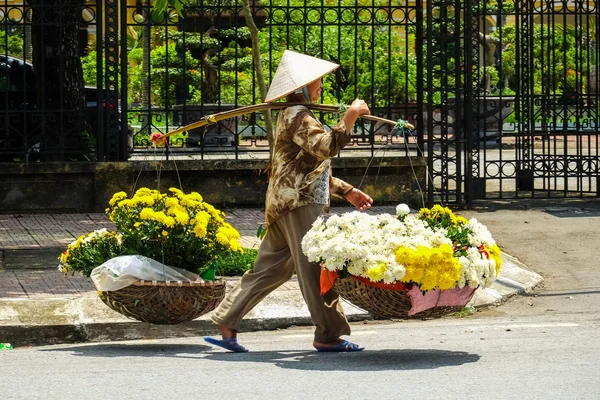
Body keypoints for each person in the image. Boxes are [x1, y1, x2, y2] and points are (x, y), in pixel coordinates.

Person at [204, 50, 373, 353]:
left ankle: (227, 320)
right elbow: (325, 148)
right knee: (315, 269)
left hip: (288, 201)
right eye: (317, 82)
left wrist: (346, 190)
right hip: (298, 205)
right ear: (303, 87)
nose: (321, 87)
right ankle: (328, 333)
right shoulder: (298, 115)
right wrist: (350, 116)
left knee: (271, 268)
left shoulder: (295, 115)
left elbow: (301, 169)